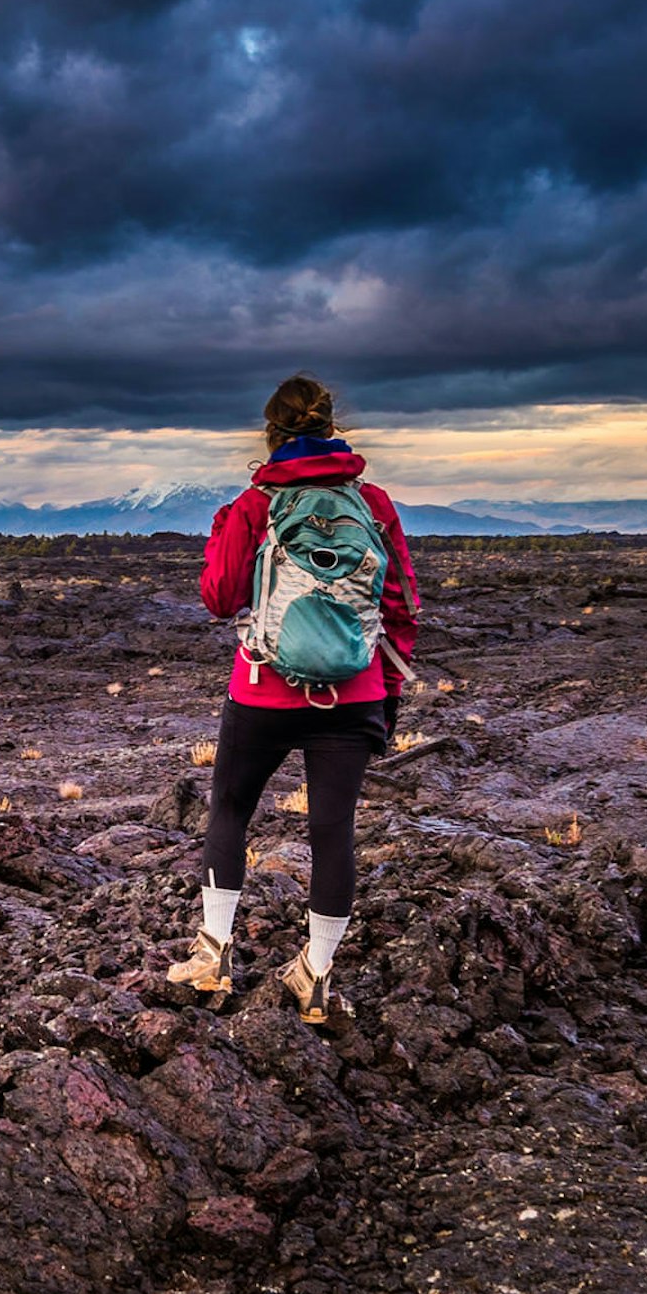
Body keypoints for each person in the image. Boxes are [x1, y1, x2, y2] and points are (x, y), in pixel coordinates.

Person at [166, 374, 419, 1022]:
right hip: (354, 694)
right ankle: (317, 977)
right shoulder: (375, 504)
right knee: (333, 834)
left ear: (271, 432)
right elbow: (401, 606)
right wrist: (385, 697)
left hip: (262, 691)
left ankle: (213, 956)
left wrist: (227, 529)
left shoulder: (256, 503)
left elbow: (220, 597)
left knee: (229, 809)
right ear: (332, 426)